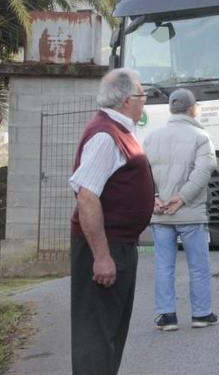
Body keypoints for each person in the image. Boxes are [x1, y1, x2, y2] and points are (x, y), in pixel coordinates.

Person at [68, 68, 153, 375]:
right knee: (97, 338)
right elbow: (87, 197)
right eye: (142, 95)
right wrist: (102, 256)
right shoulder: (106, 135)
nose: (144, 101)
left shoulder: (118, 131)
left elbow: (114, 187)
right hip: (106, 246)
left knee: (110, 334)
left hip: (119, 245)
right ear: (128, 100)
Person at [142, 89, 219, 331]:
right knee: (198, 265)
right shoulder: (201, 137)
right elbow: (203, 172)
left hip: (160, 213)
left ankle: (166, 316)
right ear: (192, 108)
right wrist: (182, 198)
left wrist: (153, 197)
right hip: (190, 212)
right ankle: (202, 314)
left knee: (164, 266)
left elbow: (142, 173)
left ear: (171, 109)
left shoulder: (151, 138)